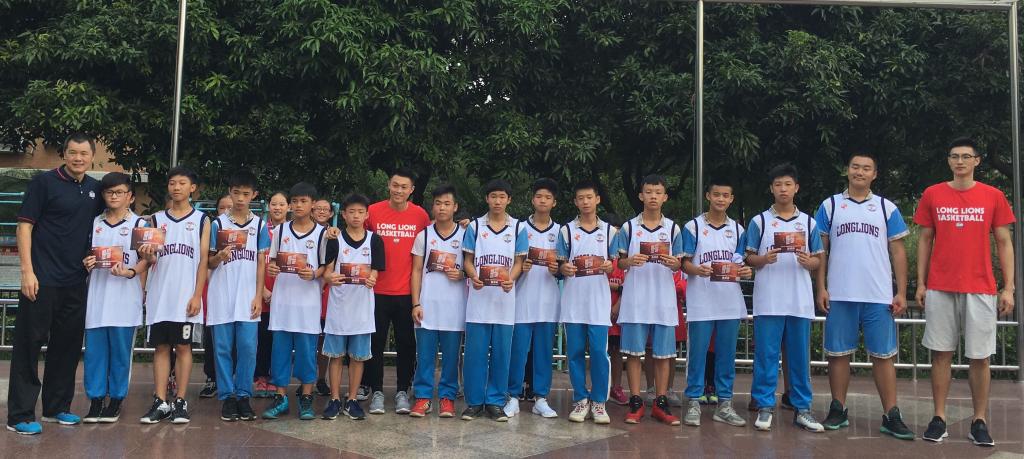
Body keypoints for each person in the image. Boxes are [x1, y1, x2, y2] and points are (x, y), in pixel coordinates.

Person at [915, 137, 1016, 447]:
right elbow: (925, 239)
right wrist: (921, 283)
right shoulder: (933, 194)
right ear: (948, 160)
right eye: (954, 156)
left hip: (981, 287)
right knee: (940, 354)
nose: (960, 161)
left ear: (977, 161)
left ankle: (979, 420)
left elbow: (1004, 242)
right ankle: (939, 417)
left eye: (966, 156)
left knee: (980, 357)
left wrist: (1009, 287)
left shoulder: (993, 196)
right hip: (940, 286)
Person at [7, 133, 103, 434]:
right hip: (41, 279)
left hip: (75, 280)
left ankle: (56, 407)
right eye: (73, 152)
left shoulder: (94, 189)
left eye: (84, 153)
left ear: (92, 157)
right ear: (64, 154)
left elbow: (104, 226)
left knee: (67, 347)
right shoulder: (43, 183)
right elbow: (24, 227)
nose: (78, 158)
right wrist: (27, 272)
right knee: (28, 346)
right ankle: (20, 415)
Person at [815, 152, 915, 439]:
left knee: (883, 355)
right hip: (840, 292)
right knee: (838, 354)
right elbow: (821, 250)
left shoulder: (886, 207)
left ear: (875, 174)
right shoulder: (830, 205)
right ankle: (838, 408)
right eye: (855, 167)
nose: (860, 172)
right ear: (847, 170)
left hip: (878, 295)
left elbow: (898, 252)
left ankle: (891, 414)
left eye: (866, 168)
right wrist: (820, 287)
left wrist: (901, 291)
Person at [745, 163, 824, 433]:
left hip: (799, 301)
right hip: (768, 300)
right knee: (766, 356)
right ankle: (765, 406)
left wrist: (809, 262)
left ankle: (803, 408)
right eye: (778, 185)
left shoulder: (809, 223)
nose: (783, 189)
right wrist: (763, 259)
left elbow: (818, 259)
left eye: (788, 184)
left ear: (796, 188)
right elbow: (748, 257)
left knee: (799, 357)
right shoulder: (760, 222)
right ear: (771, 188)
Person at [138, 166, 210, 424]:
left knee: (183, 346)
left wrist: (197, 295)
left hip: (186, 295)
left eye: (182, 183)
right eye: (172, 183)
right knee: (160, 347)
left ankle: (180, 400)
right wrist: (147, 254)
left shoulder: (202, 220)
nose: (176, 187)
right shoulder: (156, 220)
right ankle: (160, 401)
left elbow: (203, 261)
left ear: (193, 188)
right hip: (160, 294)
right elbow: (149, 259)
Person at [611, 174, 684, 426]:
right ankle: (636, 401)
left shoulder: (673, 229)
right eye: (649, 192)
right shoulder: (629, 228)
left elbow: (680, 263)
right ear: (641, 195)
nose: (653, 196)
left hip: (663, 299)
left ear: (665, 197)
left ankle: (660, 402)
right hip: (635, 298)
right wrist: (629, 262)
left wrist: (675, 263)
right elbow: (619, 261)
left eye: (658, 192)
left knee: (663, 354)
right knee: (634, 354)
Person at [680, 177, 750, 428]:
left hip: (729, 301)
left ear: (731, 199)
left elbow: (741, 262)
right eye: (716, 194)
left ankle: (725, 404)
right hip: (701, 301)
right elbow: (683, 263)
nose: (721, 199)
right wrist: (696, 270)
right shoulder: (693, 227)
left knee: (726, 355)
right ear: (708, 196)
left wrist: (745, 272)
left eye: (725, 195)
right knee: (697, 354)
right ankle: (693, 402)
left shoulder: (739, 230)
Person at [80, 172, 150, 424]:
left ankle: (117, 399)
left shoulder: (140, 224)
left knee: (120, 353)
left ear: (130, 196)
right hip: (97, 297)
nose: (114, 196)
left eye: (119, 192)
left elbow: (149, 259)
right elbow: (85, 252)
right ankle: (96, 399)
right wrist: (87, 262)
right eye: (109, 192)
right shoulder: (94, 222)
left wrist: (131, 272)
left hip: (125, 299)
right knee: (95, 353)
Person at [363, 168, 431, 414]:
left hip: (407, 292)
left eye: (404, 187)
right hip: (376, 290)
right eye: (395, 185)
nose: (398, 190)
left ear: (411, 190)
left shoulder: (420, 215)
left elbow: (434, 239)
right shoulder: (372, 211)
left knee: (406, 345)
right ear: (388, 186)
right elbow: (356, 235)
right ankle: (377, 391)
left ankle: (403, 390)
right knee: (375, 343)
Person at [460, 179, 528, 422]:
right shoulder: (475, 227)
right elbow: (467, 260)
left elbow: (519, 262)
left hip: (504, 301)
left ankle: (496, 401)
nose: (497, 201)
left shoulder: (518, 227)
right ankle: (474, 402)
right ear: (486, 199)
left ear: (509, 200)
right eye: (493, 196)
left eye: (502, 197)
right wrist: (473, 275)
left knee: (501, 354)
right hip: (479, 301)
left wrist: (511, 279)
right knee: (475, 354)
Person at [262, 182, 329, 421]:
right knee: (279, 353)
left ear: (313, 204)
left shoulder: (322, 233)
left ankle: (306, 397)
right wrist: (271, 269)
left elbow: (326, 267)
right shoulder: (280, 231)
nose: (299, 205)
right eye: (295, 201)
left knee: (307, 353)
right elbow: (272, 261)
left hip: (308, 305)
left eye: (304, 201)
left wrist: (315, 273)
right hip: (282, 303)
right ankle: (280, 397)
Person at [207, 171, 270, 422]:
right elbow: (209, 262)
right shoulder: (218, 224)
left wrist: (257, 295)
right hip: (221, 295)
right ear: (230, 193)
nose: (241, 198)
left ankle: (244, 395)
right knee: (222, 349)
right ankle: (227, 397)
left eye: (246, 194)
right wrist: (219, 257)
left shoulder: (260, 225)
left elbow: (261, 263)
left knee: (247, 348)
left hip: (247, 297)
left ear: (254, 195)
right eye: (236, 193)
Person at [321, 193, 384, 421]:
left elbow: (375, 271)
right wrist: (330, 278)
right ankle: (335, 399)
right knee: (336, 356)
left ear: (367, 215)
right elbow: (327, 271)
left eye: (360, 212)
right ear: (344, 215)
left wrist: (372, 278)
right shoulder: (335, 239)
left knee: (358, 357)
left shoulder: (374, 240)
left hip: (362, 308)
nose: (356, 216)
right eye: (351, 212)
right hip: (339, 306)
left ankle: (352, 399)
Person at [558, 181, 616, 424]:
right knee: (574, 353)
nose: (585, 202)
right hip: (573, 303)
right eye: (581, 198)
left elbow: (615, 262)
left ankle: (599, 401)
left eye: (589, 197)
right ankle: (581, 399)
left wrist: (610, 266)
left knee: (600, 353)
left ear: (597, 199)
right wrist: (564, 268)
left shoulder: (610, 232)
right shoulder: (566, 231)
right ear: (575, 202)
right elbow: (559, 265)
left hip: (598, 303)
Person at [505, 178, 561, 419]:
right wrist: (520, 267)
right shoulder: (518, 228)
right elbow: (507, 260)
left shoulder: (561, 231)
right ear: (532, 200)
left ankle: (541, 398)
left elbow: (565, 266)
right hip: (521, 299)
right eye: (539, 196)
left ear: (554, 202)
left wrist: (557, 269)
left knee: (543, 352)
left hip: (548, 301)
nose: (543, 201)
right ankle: (513, 396)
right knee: (517, 351)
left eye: (548, 197)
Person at [410, 185, 467, 418]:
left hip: (455, 307)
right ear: (432, 207)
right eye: (438, 203)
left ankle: (447, 397)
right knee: (424, 356)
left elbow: (471, 266)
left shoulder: (466, 234)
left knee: (452, 357)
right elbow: (416, 271)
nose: (442, 208)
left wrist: (462, 274)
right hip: (428, 305)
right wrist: (416, 303)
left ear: (455, 207)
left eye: (447, 203)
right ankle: (423, 397)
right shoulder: (423, 235)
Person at [255, 192, 288, 397]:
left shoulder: (292, 231)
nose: (277, 208)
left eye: (281, 204)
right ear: (268, 206)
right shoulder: (260, 230)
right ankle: (260, 377)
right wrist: (262, 291)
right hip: (262, 296)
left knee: (280, 343)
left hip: (284, 296)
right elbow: (251, 262)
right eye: (274, 204)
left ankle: (278, 378)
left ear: (288, 207)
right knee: (262, 340)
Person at [200, 194, 233, 399]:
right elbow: (206, 262)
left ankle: (233, 382)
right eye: (222, 208)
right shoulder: (211, 230)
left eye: (230, 207)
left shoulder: (247, 231)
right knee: (212, 341)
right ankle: (212, 378)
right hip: (212, 294)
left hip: (237, 296)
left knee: (237, 343)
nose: (227, 211)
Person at [312, 199, 335, 396]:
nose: (321, 212)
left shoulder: (335, 236)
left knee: (323, 340)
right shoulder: (303, 231)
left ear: (331, 214)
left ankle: (321, 379)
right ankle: (306, 380)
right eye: (318, 208)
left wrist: (324, 284)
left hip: (327, 293)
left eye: (325, 209)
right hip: (306, 289)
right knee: (306, 339)